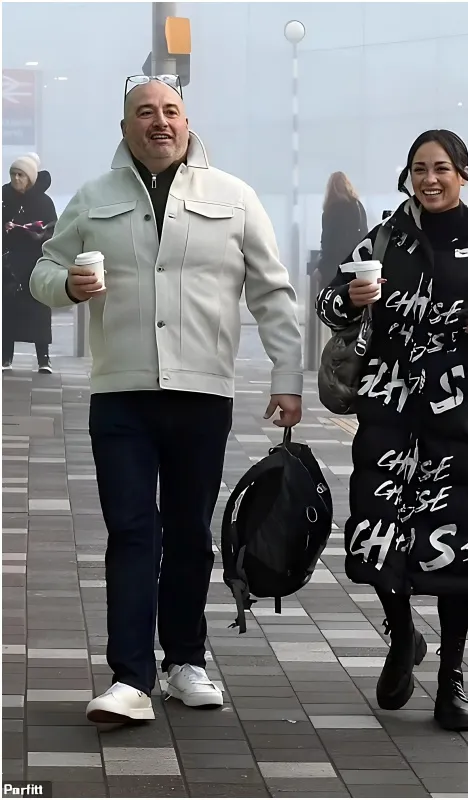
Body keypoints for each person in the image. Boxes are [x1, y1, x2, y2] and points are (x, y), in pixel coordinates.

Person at [30, 75, 304, 725]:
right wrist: (67, 284)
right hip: (119, 394)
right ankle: (129, 677)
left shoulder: (232, 197)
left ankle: (186, 663)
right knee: (130, 532)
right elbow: (42, 271)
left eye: (171, 111)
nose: (160, 122)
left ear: (188, 122)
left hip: (201, 392)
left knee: (188, 533)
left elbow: (272, 289)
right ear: (125, 127)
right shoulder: (94, 198)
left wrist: (287, 376)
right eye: (145, 112)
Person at [316, 129, 468, 731]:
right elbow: (327, 307)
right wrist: (350, 296)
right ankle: (402, 636)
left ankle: (452, 678)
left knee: (459, 544)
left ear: (463, 173)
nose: (430, 178)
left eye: (441, 168)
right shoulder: (383, 240)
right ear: (408, 176)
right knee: (375, 531)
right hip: (391, 409)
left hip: (467, 414)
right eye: (419, 168)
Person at [3, 153, 58, 373]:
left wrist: (42, 235)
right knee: (6, 310)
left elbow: (54, 229)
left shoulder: (44, 201)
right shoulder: (3, 196)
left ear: (30, 178)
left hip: (36, 262)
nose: (16, 179)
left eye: (21, 175)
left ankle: (43, 359)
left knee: (39, 311)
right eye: (13, 174)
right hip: (8, 263)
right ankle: (6, 357)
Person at [316, 171, 368, 289]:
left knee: (331, 302)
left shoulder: (330, 211)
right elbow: (365, 235)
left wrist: (321, 268)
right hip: (355, 265)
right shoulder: (358, 206)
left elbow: (327, 243)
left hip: (333, 268)